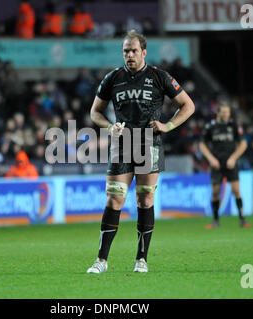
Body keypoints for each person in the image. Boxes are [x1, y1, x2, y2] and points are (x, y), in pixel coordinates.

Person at [86, 30, 195, 274]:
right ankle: (101, 260)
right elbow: (95, 112)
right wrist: (109, 126)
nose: (130, 55)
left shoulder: (159, 77)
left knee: (145, 199)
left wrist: (168, 125)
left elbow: (188, 105)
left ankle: (141, 259)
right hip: (122, 145)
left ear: (144, 52)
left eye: (134, 50)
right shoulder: (113, 78)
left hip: (149, 144)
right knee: (115, 198)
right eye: (126, 51)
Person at [199, 104, 250, 229]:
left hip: (231, 163)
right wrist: (211, 159)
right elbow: (202, 145)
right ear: (218, 113)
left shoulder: (234, 126)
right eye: (224, 112)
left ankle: (242, 219)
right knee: (215, 192)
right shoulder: (210, 126)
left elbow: (243, 144)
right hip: (216, 164)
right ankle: (215, 220)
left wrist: (234, 157)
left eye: (228, 112)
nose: (226, 114)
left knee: (236, 190)